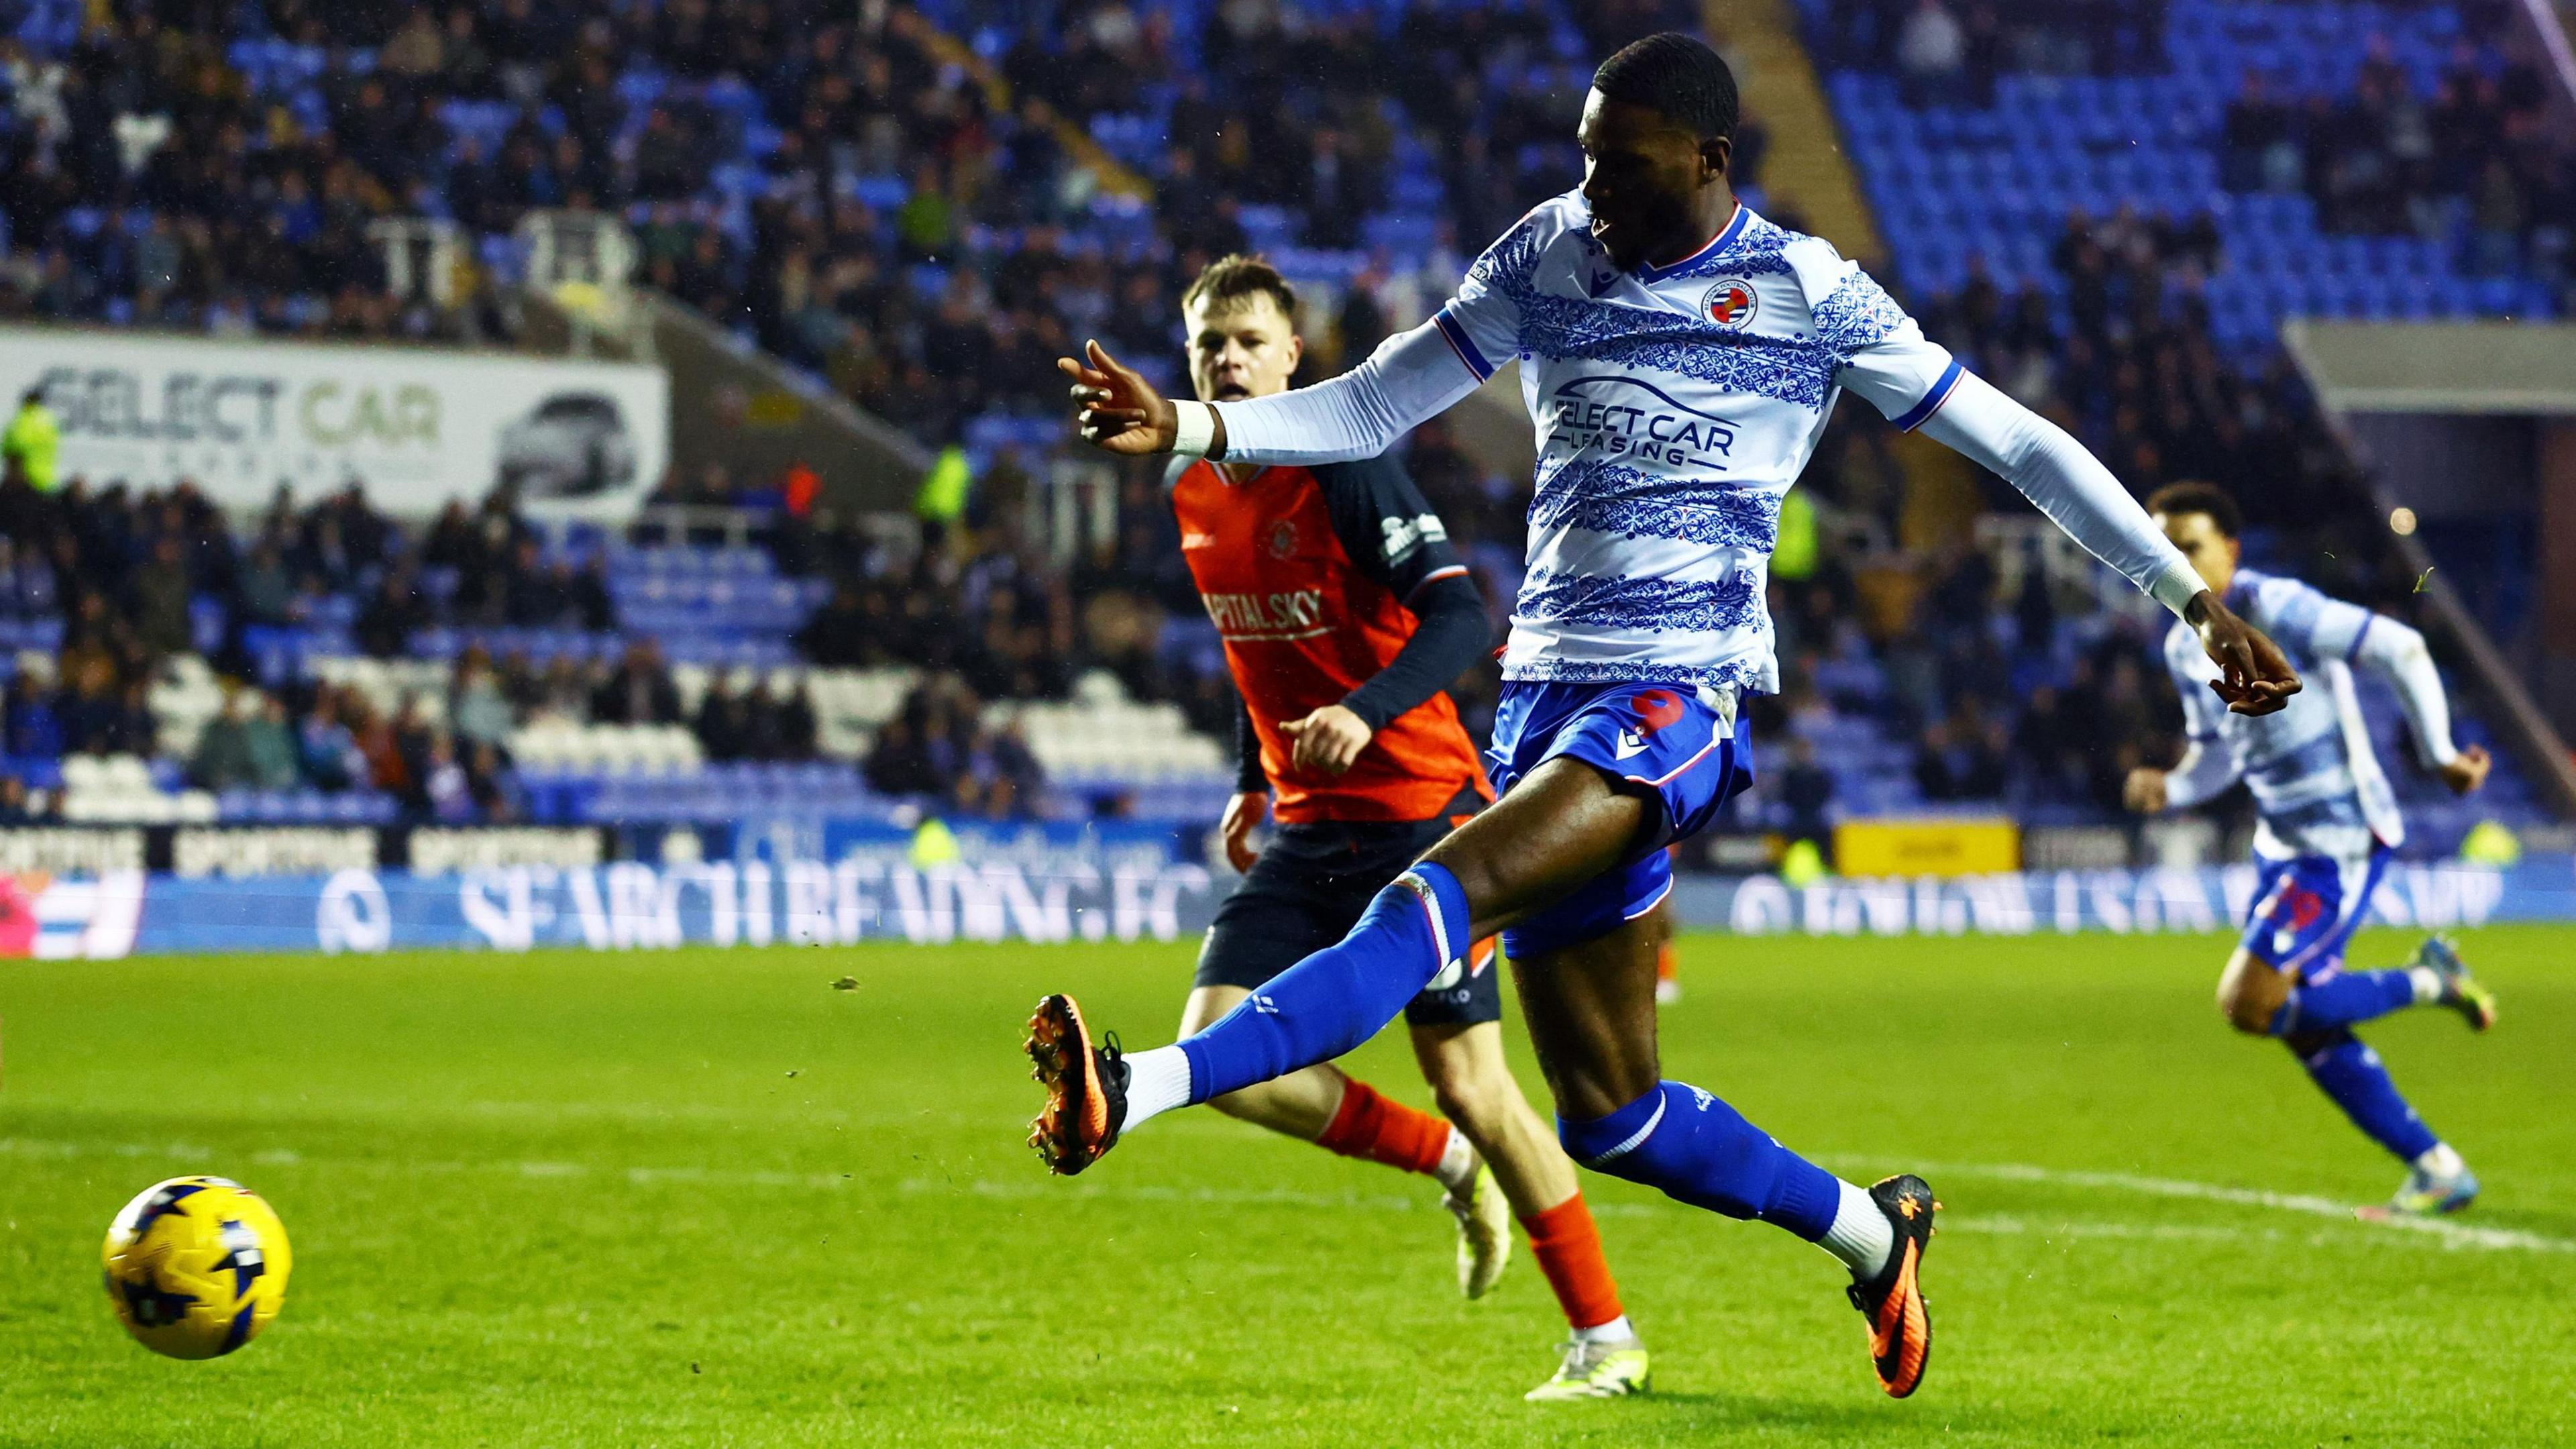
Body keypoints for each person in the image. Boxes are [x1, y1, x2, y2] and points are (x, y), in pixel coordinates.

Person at [1034, 33, 2300, 1401]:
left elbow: (2022, 446)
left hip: (1676, 701)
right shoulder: (1549, 255)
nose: (1596, 192)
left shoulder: (1808, 295)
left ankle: (1138, 1087)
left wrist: (2190, 600)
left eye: (1623, 169)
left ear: (1710, 162)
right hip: (1543, 707)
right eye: (1584, 160)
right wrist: (1192, 428)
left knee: (1426, 901)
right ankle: (1879, 1232)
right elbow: (1372, 402)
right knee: (1612, 1117)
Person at [1120, 254, 1649, 1399]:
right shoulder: (1188, 485)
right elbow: (1250, 650)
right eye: (1208, 343)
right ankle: (1449, 1165)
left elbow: (1463, 616)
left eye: (1247, 342)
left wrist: (1364, 714)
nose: (1224, 360)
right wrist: (1250, 776)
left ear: (1292, 356)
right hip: (1306, 825)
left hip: (1421, 816)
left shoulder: (1344, 461)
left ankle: (1605, 1337)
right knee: (1226, 1060)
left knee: (1477, 1082)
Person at [2123, 482, 2496, 1219]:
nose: (2177, 562)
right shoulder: (2180, 642)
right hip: (2283, 845)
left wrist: (2442, 752)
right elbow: (2219, 756)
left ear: (2229, 550)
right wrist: (2173, 786)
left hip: (2338, 843)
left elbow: (2401, 645)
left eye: (2190, 546)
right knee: (2302, 1023)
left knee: (2250, 1004)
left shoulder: (2276, 607)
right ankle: (2437, 1166)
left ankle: (2429, 981)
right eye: (2163, 549)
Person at [3, 388, 60, 494]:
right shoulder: (49, 421)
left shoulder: (24, 420)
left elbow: (16, 447)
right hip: (46, 480)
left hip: (26, 479)